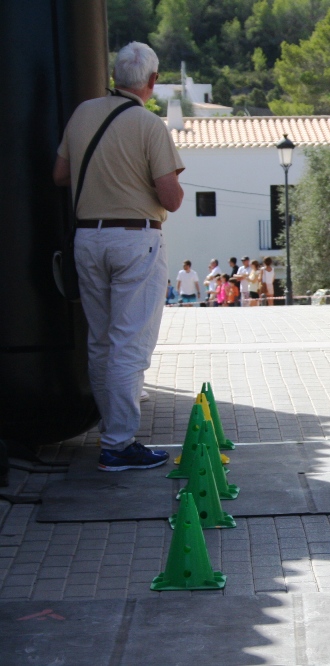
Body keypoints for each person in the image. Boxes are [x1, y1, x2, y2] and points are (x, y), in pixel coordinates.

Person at [52, 41, 182, 471]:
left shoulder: (82, 114)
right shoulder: (149, 125)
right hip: (134, 240)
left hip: (87, 239)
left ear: (115, 76)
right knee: (130, 343)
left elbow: (60, 174)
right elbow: (171, 198)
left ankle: (110, 432)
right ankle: (118, 444)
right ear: (152, 80)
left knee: (101, 341)